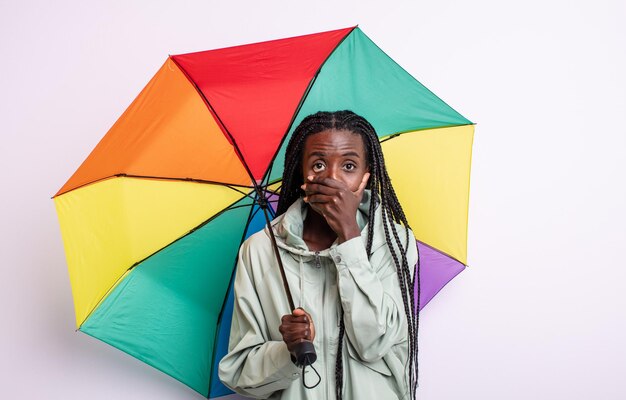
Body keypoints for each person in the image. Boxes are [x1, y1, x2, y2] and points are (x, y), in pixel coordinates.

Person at [219, 110, 419, 399]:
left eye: (348, 166)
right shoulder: (261, 250)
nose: (332, 179)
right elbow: (240, 372)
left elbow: (375, 342)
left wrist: (349, 237)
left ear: (366, 176)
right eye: (319, 164)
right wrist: (286, 351)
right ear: (301, 172)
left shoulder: (394, 242)